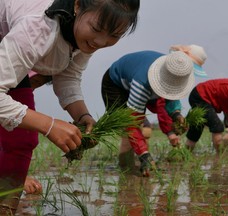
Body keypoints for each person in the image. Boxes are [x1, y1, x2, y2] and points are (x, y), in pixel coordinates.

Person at [0, 0, 139, 213]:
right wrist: (49, 124)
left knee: (23, 140)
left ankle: (5, 208)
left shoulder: (82, 35)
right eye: (96, 29)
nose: (101, 41)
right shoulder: (38, 29)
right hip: (10, 45)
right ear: (77, 6)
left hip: (10, 56)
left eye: (114, 35)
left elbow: (68, 76)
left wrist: (82, 115)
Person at [101, 50, 197, 177]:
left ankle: (138, 160)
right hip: (116, 84)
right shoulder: (142, 84)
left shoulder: (174, 70)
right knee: (126, 126)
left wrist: (176, 114)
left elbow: (169, 99)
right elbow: (132, 124)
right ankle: (126, 169)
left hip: (139, 75)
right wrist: (144, 154)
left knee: (141, 129)